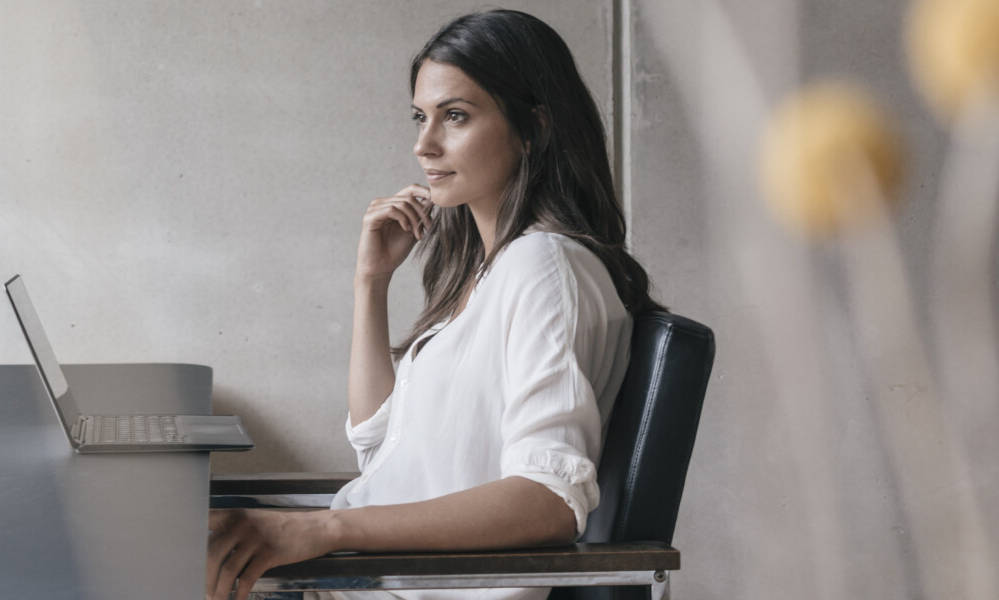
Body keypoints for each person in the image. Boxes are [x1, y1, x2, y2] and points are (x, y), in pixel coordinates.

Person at [205, 9, 665, 600]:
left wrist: (323, 528)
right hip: (360, 582)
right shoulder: (486, 268)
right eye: (421, 117)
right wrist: (371, 282)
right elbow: (380, 447)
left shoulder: (544, 268)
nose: (424, 144)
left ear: (534, 128)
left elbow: (548, 498)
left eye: (456, 116)